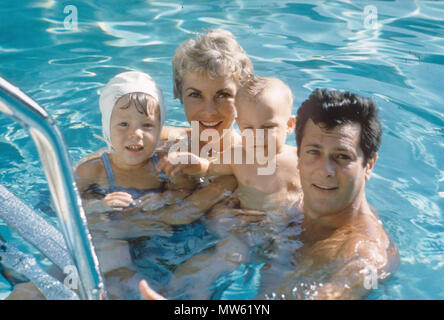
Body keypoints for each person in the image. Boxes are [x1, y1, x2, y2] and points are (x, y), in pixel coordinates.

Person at [139, 88, 399, 300]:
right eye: (313, 152)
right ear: (297, 154)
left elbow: (335, 292)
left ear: (369, 165)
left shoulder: (362, 254)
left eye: (342, 157)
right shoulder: (298, 207)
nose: (325, 170)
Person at [157, 76, 302, 211]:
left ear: (289, 124)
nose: (257, 136)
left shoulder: (301, 160)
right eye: (249, 128)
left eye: (268, 127)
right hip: (252, 227)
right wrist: (189, 161)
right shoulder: (236, 157)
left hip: (292, 225)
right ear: (239, 125)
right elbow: (209, 169)